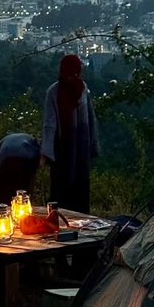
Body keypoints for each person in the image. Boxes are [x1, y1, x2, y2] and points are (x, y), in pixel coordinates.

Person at [40, 54, 100, 213]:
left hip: (80, 149)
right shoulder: (54, 92)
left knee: (80, 189)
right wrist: (47, 152)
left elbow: (90, 118)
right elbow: (49, 124)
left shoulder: (82, 89)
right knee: (61, 190)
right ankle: (58, 220)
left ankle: (80, 221)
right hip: (62, 149)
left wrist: (93, 145)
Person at [0, 132, 41, 206]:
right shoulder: (32, 143)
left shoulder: (4, 141)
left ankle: (0, 206)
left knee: (0, 190)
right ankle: (24, 207)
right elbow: (33, 175)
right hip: (25, 157)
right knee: (24, 192)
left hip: (4, 157)